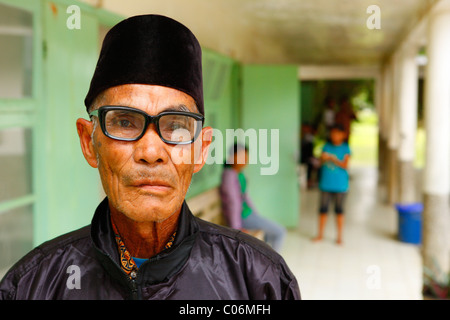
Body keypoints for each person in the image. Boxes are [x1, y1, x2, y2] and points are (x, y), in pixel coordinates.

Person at [0, 15, 300, 300]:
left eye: (177, 126)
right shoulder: (32, 284)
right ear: (89, 142)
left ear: (201, 149)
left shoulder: (258, 280)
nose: (151, 152)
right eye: (125, 122)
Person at [219, 143, 287, 253]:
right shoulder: (229, 176)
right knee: (280, 232)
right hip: (242, 219)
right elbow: (233, 203)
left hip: (249, 215)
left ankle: (266, 262)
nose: (245, 159)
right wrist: (237, 229)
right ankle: (273, 266)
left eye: (246, 156)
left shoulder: (239, 174)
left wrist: (256, 215)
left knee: (268, 236)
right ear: (232, 157)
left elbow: (245, 197)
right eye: (241, 156)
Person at [312, 124, 351, 245]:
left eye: (337, 133)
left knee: (339, 210)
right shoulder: (326, 146)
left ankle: (339, 237)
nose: (335, 136)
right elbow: (319, 162)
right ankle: (320, 234)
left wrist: (333, 159)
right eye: (333, 133)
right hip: (325, 184)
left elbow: (345, 165)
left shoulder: (345, 148)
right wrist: (323, 158)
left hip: (340, 185)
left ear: (343, 135)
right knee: (323, 210)